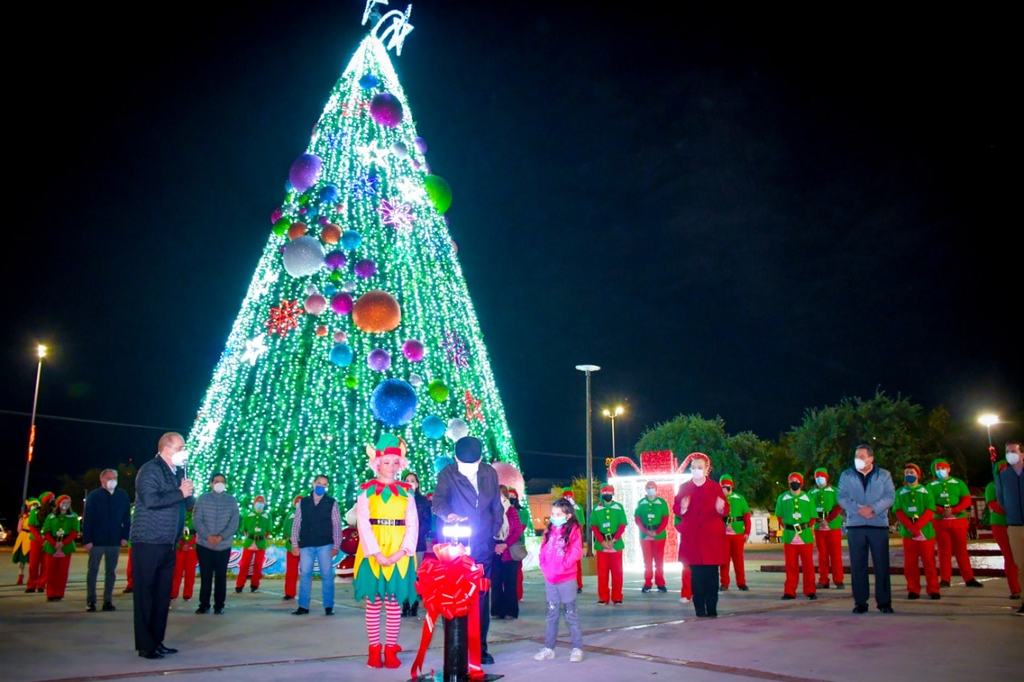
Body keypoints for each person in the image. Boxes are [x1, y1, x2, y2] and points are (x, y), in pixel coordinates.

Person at [432, 436, 503, 665]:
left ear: (481, 459)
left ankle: (480, 647)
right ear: (455, 458)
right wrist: (448, 515)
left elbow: (496, 506)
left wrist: (493, 531)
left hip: (483, 544)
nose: (468, 469)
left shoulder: (490, 473)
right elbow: (438, 502)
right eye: (464, 465)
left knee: (481, 596)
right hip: (455, 546)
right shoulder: (448, 474)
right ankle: (457, 645)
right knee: (455, 597)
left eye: (473, 465)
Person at [353, 435, 418, 669]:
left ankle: (390, 649)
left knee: (393, 603)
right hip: (373, 554)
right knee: (373, 603)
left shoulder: (407, 492)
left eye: (395, 462)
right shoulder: (366, 492)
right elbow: (363, 523)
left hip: (399, 554)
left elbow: (413, 524)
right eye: (386, 462)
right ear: (377, 463)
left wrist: (403, 552)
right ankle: (373, 651)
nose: (391, 467)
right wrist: (376, 553)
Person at [131, 432, 194, 659]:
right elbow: (151, 500)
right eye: (181, 447)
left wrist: (188, 493)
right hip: (148, 541)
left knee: (161, 595)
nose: (184, 451)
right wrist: (179, 492)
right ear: (167, 448)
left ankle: (157, 641)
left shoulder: (176, 472)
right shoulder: (150, 469)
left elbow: (185, 504)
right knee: (146, 594)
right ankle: (145, 645)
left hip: (168, 543)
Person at [838, 444, 895, 614]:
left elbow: (890, 496)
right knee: (858, 566)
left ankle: (884, 602)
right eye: (856, 456)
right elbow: (841, 497)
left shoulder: (883, 475)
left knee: (882, 565)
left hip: (877, 525)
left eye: (862, 456)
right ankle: (860, 602)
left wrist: (873, 509)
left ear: (871, 458)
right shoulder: (847, 475)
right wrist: (858, 509)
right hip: (856, 525)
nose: (858, 460)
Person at [673, 453, 728, 618]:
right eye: (694, 468)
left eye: (699, 467)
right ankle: (699, 609)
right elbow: (676, 508)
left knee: (712, 577)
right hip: (693, 540)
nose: (696, 470)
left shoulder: (715, 487)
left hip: (712, 540)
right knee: (696, 577)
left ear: (706, 470)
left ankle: (712, 608)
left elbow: (725, 509)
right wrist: (682, 508)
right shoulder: (684, 487)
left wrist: (721, 508)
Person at [533, 498, 584, 663]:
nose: (554, 517)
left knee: (571, 613)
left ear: (568, 515)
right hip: (550, 579)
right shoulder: (549, 530)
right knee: (551, 613)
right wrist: (544, 565)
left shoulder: (574, 530)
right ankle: (549, 648)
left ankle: (577, 648)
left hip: (566, 578)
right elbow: (543, 550)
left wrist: (562, 566)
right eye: (553, 513)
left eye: (558, 514)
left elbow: (576, 552)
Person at [290, 474, 342, 616]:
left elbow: (337, 525)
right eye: (319, 483)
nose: (321, 486)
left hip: (325, 544)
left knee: (326, 574)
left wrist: (336, 545)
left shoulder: (332, 502)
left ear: (327, 487)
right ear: (313, 484)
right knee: (305, 573)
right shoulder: (303, 502)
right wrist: (295, 543)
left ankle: (328, 606)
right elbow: (296, 524)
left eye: (324, 484)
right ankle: (303, 606)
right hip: (306, 544)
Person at [927, 457, 983, 588]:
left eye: (943, 467)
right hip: (940, 522)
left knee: (961, 550)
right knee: (943, 551)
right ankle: (945, 579)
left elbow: (966, 499)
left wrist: (954, 510)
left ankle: (969, 578)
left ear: (948, 468)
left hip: (958, 521)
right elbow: (928, 502)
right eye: (938, 468)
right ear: (934, 471)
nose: (941, 470)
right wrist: (942, 511)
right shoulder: (930, 486)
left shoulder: (958, 483)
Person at [82, 468, 131, 612]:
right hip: (96, 541)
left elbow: (126, 518)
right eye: (109, 478)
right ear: (102, 480)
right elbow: (88, 519)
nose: (113, 480)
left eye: (115, 477)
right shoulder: (94, 496)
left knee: (111, 572)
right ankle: (91, 601)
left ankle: (107, 601)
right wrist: (87, 539)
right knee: (93, 571)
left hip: (114, 540)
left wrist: (124, 536)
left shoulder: (122, 495)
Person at [193, 472, 239, 615]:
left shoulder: (231, 501)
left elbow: (234, 522)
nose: (219, 483)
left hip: (223, 545)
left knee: (221, 576)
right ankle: (204, 604)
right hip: (204, 545)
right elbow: (197, 520)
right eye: (216, 481)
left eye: (222, 481)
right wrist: (208, 536)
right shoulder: (202, 499)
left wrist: (221, 537)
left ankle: (219, 605)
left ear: (225, 484)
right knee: (206, 576)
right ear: (211, 483)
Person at [892, 463, 940, 600]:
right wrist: (910, 527)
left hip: (926, 534)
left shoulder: (926, 491)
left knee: (929, 562)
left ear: (918, 475)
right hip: (909, 534)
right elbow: (898, 511)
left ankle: (933, 589)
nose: (909, 475)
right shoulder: (900, 493)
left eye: (912, 472)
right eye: (907, 473)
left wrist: (918, 526)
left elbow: (930, 510)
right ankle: (913, 589)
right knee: (910, 564)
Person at [776, 473, 817, 600]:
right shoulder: (782, 498)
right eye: (792, 481)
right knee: (791, 566)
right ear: (788, 483)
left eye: (797, 480)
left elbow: (812, 518)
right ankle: (789, 591)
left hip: (805, 537)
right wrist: (790, 528)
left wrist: (804, 528)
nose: (794, 482)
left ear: (801, 482)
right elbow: (779, 517)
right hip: (789, 537)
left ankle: (810, 590)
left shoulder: (808, 498)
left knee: (808, 566)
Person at [995, 440, 1024, 615]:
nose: (1010, 454)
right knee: (1021, 566)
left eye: (1013, 451)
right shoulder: (1003, 476)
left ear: (1022, 454)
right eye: (1007, 451)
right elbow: (1001, 499)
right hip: (1014, 526)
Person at [986, 461, 1021, 599]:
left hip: (1017, 524)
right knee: (1010, 557)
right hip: (1001, 524)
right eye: (1002, 469)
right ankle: (1015, 589)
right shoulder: (992, 486)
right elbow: (994, 505)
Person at [401, 471, 432, 617]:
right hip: (401, 544)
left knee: (415, 574)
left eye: (412, 480)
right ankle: (404, 603)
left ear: (417, 484)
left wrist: (415, 535)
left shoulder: (423, 501)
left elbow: (427, 523)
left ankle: (413, 604)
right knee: (403, 574)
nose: (410, 483)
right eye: (407, 480)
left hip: (418, 543)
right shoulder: (399, 499)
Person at [492, 484, 526, 619]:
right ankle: (496, 610)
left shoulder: (512, 511)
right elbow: (486, 530)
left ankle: (510, 611)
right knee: (495, 582)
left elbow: (517, 530)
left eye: (502, 495)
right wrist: (494, 545)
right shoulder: (490, 511)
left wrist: (505, 544)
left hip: (509, 550)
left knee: (510, 582)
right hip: (494, 550)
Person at [591, 484, 627, 605]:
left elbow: (622, 526)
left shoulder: (619, 507)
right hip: (601, 546)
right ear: (602, 494)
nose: (607, 495)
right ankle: (603, 597)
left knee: (617, 573)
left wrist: (614, 540)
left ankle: (617, 597)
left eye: (609, 493)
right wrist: (602, 542)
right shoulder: (596, 508)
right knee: (602, 573)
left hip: (616, 544)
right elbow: (594, 527)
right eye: (605, 493)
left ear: (613, 493)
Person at [808, 467, 844, 589]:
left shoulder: (834, 491)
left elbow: (839, 507)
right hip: (819, 527)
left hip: (833, 526)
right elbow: (809, 509)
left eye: (821, 476)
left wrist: (827, 520)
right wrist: (818, 520)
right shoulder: (811, 493)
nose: (819, 479)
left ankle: (838, 580)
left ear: (827, 477)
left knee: (835, 554)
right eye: (817, 477)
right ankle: (823, 580)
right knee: (822, 555)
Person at [42, 495, 80, 601]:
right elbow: (46, 531)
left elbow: (74, 532)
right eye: (63, 503)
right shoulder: (51, 516)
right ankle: (50, 593)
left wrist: (63, 543)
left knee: (62, 572)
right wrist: (54, 543)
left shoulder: (73, 516)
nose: (65, 505)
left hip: (66, 547)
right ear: (58, 504)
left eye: (68, 503)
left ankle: (59, 593)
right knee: (51, 571)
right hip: (51, 547)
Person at [718, 474, 750, 591]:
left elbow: (746, 516)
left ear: (732, 486)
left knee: (738, 560)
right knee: (724, 560)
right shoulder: (718, 499)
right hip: (723, 535)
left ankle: (741, 583)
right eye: (723, 485)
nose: (726, 487)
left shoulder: (740, 498)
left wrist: (747, 532)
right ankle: (724, 583)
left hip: (737, 534)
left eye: (728, 485)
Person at [236, 495, 272, 593]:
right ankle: (239, 585)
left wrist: (263, 537)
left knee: (258, 565)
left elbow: (269, 530)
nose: (259, 503)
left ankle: (254, 584)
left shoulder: (267, 516)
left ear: (264, 504)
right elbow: (243, 529)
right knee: (244, 565)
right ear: (254, 503)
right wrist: (249, 536)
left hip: (261, 543)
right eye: (258, 501)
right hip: (249, 542)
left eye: (261, 501)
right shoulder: (248, 515)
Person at [25, 491, 55, 593]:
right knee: (33, 564)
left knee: (46, 564)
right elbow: (32, 526)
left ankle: (41, 584)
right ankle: (31, 584)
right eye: (50, 498)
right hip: (36, 541)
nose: (52, 501)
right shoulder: (35, 511)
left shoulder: (54, 512)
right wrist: (40, 539)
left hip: (49, 541)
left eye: (53, 499)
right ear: (44, 500)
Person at [170, 505, 198, 602]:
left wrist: (190, 543)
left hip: (192, 546)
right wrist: (181, 543)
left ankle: (187, 594)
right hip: (179, 545)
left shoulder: (197, 516)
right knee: (177, 571)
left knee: (190, 571)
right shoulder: (177, 513)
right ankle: (173, 592)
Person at [561, 488, 586, 593]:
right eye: (566, 497)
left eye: (569, 496)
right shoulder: (559, 509)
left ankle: (578, 585)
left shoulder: (578, 508)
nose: (568, 498)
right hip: (563, 540)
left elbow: (581, 525)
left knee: (576, 564)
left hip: (575, 541)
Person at [508, 488, 530, 601]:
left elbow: (521, 528)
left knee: (517, 570)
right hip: (504, 544)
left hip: (517, 543)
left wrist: (510, 538)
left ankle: (518, 594)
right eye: (509, 496)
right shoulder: (503, 510)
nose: (511, 498)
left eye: (513, 496)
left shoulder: (523, 511)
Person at [281, 495, 303, 601]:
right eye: (297, 501)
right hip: (291, 546)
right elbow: (285, 530)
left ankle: (304, 593)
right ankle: (289, 592)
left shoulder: (308, 514)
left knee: (305, 572)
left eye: (301, 501)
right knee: (291, 571)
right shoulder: (290, 515)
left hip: (305, 547)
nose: (298, 502)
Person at [12, 499, 37, 586]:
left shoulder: (37, 516)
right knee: (21, 560)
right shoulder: (23, 517)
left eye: (35, 506)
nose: (33, 507)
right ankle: (20, 576)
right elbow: (19, 529)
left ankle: (32, 578)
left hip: (32, 538)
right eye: (32, 506)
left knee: (33, 561)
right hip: (22, 539)